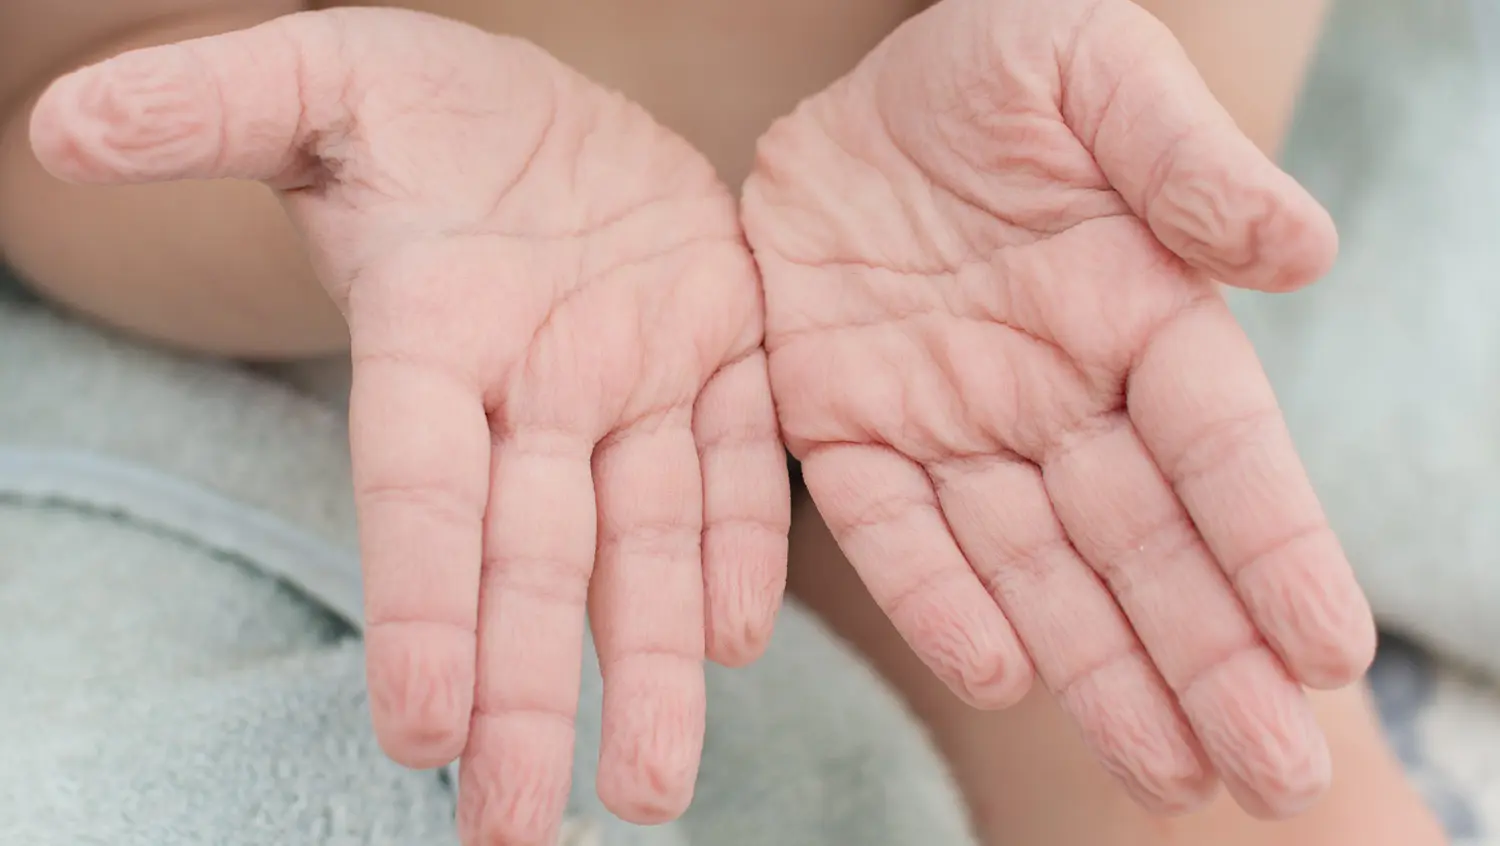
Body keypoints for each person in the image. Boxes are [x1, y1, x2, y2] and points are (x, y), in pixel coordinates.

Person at [0, 1, 1450, 844]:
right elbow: (50, 120)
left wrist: (1095, 75)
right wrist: (324, 162)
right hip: (460, 274)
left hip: (980, 259)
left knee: (1233, 760)